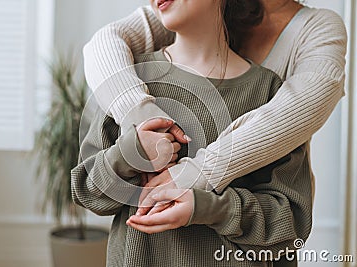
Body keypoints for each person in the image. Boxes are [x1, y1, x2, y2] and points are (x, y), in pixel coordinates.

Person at [71, 0, 318, 266]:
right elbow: (87, 191)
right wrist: (129, 154)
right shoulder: (130, 81)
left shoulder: (267, 91)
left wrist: (207, 208)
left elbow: (290, 223)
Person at [83, 0, 347, 208]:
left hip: (258, 212)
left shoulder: (319, 27)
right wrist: (143, 117)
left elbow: (300, 109)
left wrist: (199, 172)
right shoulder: (195, 9)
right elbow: (102, 45)